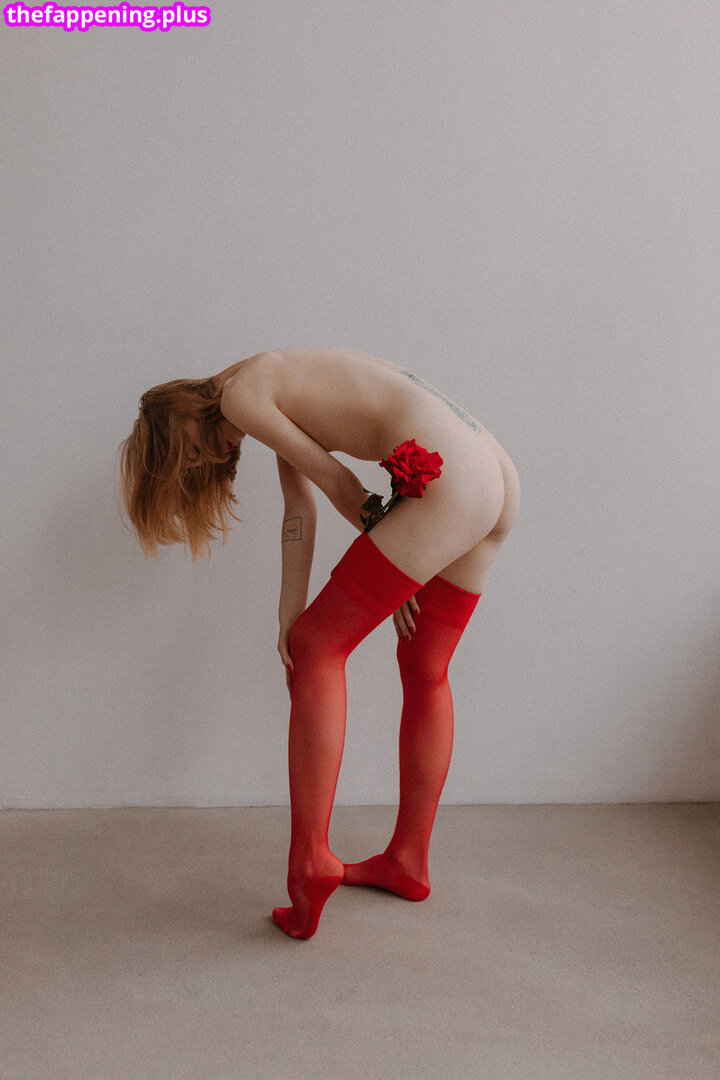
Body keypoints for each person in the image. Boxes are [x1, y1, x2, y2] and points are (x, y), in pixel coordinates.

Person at [118, 345, 521, 939]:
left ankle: (310, 861)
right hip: (493, 474)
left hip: (452, 479)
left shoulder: (240, 396)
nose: (210, 458)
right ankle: (407, 861)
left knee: (317, 650)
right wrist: (291, 611)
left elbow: (338, 483)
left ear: (178, 409)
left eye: (189, 450)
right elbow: (300, 508)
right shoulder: (270, 382)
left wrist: (397, 559)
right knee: (424, 666)